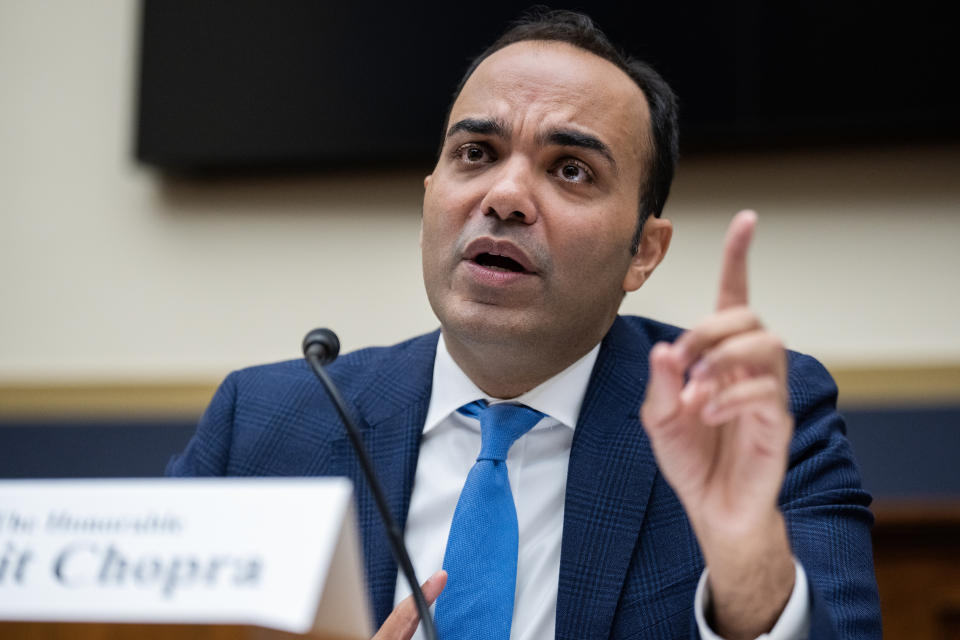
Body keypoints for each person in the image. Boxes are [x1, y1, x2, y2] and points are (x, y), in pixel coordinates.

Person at [168, 9, 881, 640]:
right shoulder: (263, 426)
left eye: (570, 170)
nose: (505, 196)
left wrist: (744, 562)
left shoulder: (748, 415)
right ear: (430, 200)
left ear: (643, 252)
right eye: (475, 154)